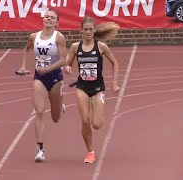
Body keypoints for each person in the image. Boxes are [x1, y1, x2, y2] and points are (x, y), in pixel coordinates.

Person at [64, 17, 120, 163]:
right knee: (85, 121)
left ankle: (99, 109)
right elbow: (68, 63)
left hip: (97, 88)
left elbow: (114, 62)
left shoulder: (101, 46)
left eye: (90, 29)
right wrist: (68, 67)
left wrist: (114, 83)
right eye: (85, 29)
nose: (88, 32)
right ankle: (90, 152)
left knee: (96, 124)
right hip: (82, 86)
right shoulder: (76, 47)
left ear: (94, 30)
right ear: (81, 30)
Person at [17, 9, 67, 163]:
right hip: (39, 77)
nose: (49, 19)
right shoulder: (34, 37)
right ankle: (40, 149)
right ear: (43, 19)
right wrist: (23, 67)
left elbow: (63, 60)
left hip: (55, 77)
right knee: (39, 111)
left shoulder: (59, 37)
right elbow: (26, 49)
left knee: (56, 117)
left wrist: (48, 69)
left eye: (52, 18)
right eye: (47, 16)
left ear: (57, 23)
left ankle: (60, 107)